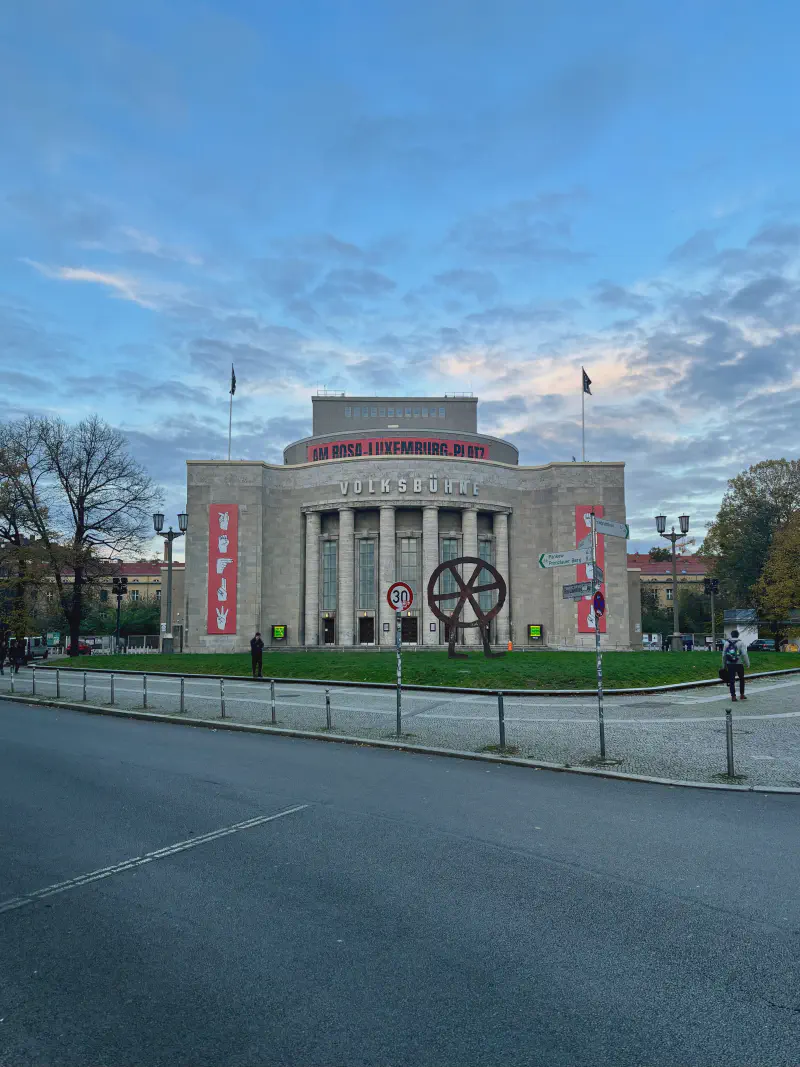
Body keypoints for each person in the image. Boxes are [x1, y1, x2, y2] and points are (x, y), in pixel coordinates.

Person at [722, 629, 750, 701]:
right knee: (741, 679)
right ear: (738, 635)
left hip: (730, 664)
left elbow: (724, 655)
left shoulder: (726, 643)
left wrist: (724, 665)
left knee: (731, 680)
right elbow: (744, 654)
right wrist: (747, 663)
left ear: (731, 635)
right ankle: (742, 695)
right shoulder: (741, 643)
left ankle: (733, 696)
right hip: (739, 663)